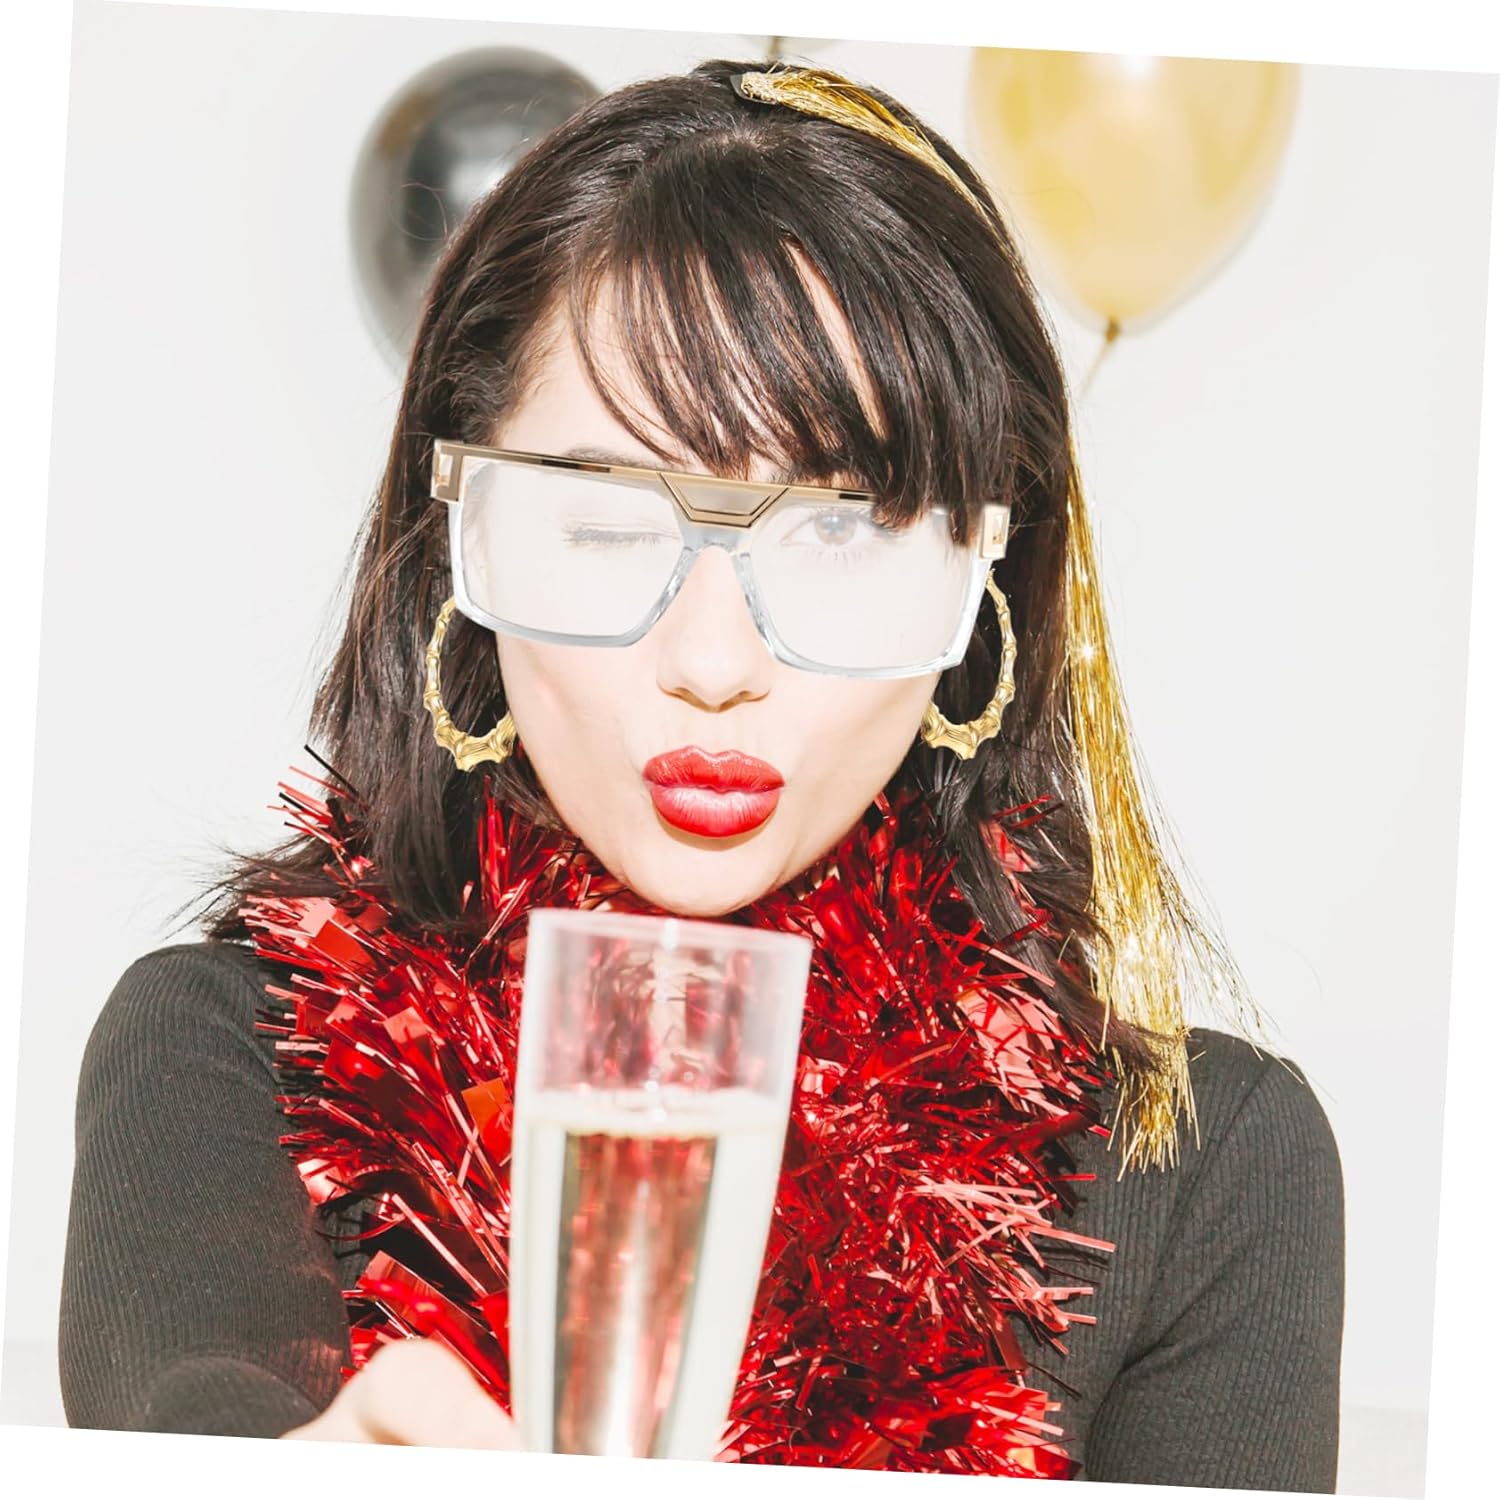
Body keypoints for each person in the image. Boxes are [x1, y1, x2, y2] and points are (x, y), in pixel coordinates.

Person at [59, 59, 1344, 1488]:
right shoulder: (234, 1060)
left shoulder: (1204, 1168)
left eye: (842, 527)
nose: (714, 660)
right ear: (461, 544)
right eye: (606, 519)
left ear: (983, 582)